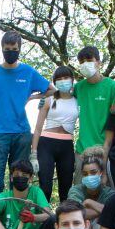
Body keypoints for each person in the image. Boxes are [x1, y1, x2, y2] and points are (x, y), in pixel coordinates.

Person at [0, 31, 53, 200]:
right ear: (2, 49)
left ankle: (17, 216)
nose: (10, 51)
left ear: (19, 49)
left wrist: (32, 97)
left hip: (22, 133)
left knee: (20, 178)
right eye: (7, 48)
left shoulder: (28, 71)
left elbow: (51, 90)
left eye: (14, 48)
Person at [31, 66, 79, 202]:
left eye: (66, 78)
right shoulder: (49, 100)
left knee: (66, 189)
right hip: (46, 144)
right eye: (59, 79)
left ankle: (64, 220)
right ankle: (42, 220)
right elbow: (38, 128)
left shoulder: (77, 100)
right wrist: (34, 153)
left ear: (72, 79)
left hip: (67, 146)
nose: (63, 81)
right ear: (55, 82)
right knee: (45, 187)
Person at [71, 46, 115, 158]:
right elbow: (61, 98)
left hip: (105, 149)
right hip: (81, 150)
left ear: (99, 63)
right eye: (82, 62)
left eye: (89, 60)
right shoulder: (78, 88)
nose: (85, 64)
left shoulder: (112, 86)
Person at [66, 154, 115, 229]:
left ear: (101, 172)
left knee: (99, 224)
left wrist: (89, 202)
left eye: (93, 172)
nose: (89, 176)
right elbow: (75, 214)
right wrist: (102, 211)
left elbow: (113, 213)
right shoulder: (75, 190)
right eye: (85, 174)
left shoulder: (109, 193)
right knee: (82, 222)